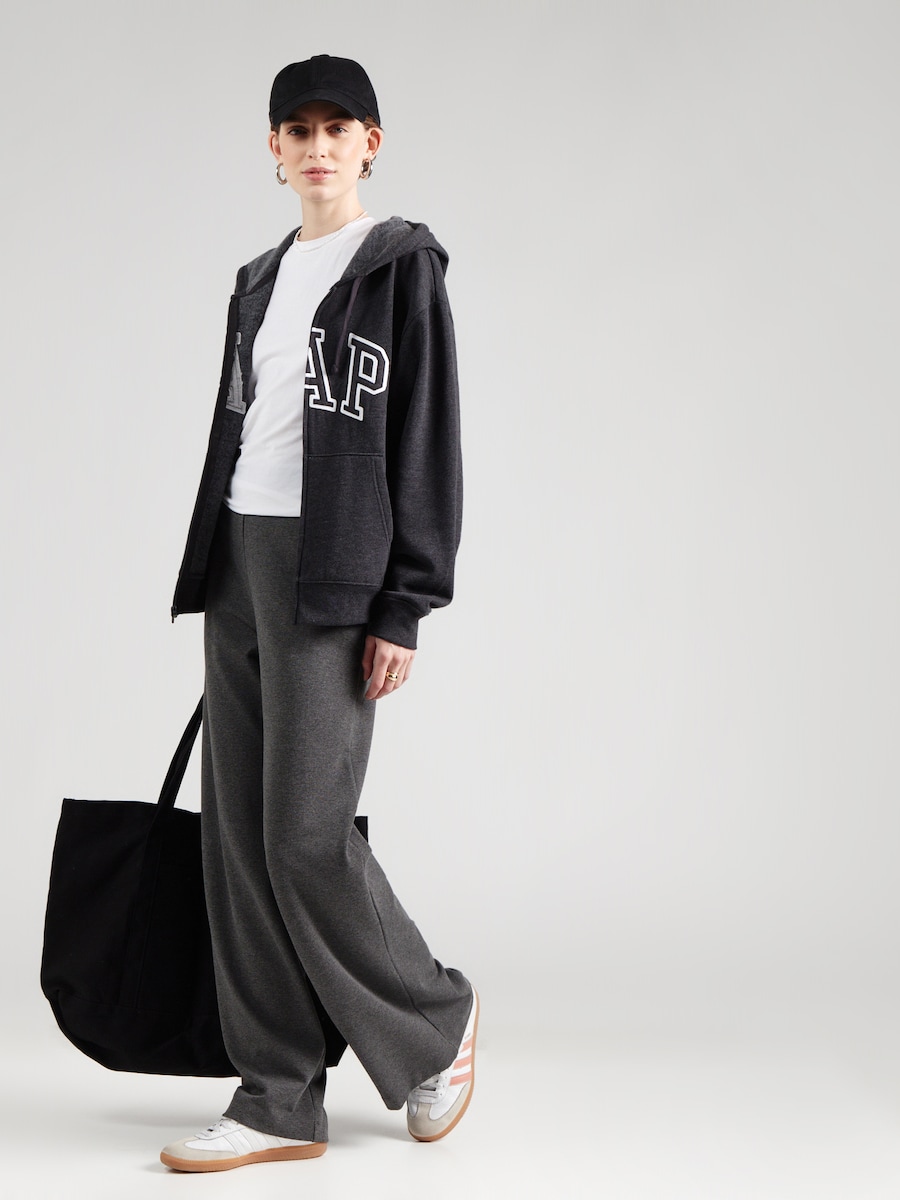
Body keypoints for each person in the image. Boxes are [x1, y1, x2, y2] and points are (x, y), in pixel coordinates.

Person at [160, 54, 476, 1173]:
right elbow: (245, 426)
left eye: (337, 128)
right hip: (239, 559)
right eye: (297, 130)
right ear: (274, 149)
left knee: (303, 833)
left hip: (333, 571)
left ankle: (434, 1022)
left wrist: (405, 603)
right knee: (239, 843)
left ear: (370, 143)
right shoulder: (258, 278)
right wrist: (216, 563)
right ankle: (277, 1097)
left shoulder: (400, 269)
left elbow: (426, 439)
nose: (317, 146)